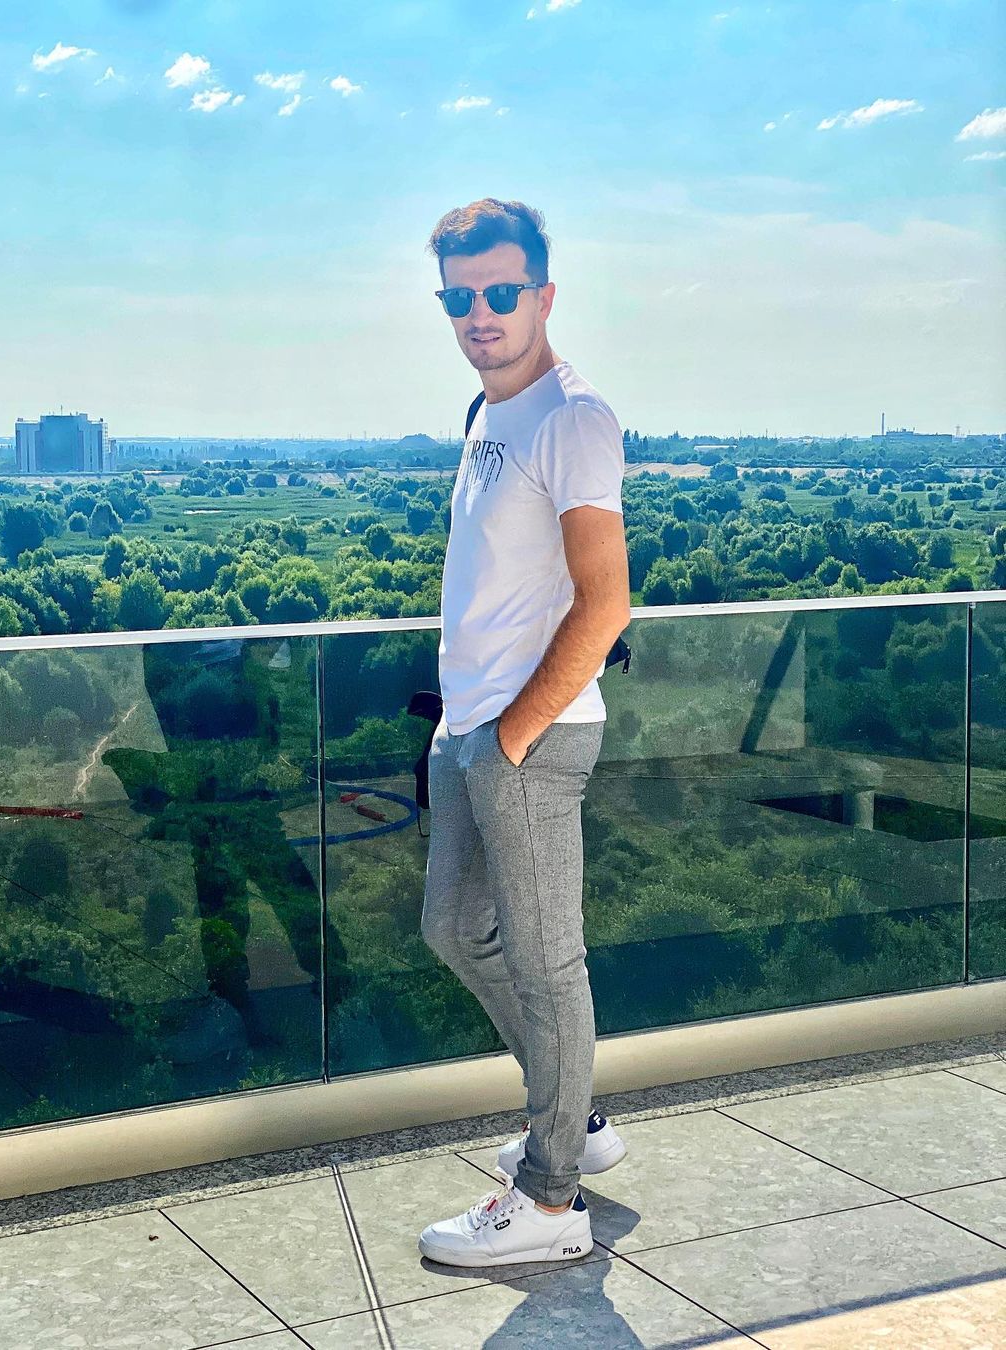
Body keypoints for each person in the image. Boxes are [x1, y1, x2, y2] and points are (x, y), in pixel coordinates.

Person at [417, 198, 631, 1269]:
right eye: (459, 296)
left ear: (544, 295)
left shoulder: (571, 420)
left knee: (549, 966)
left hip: (529, 742)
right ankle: (570, 1118)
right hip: (469, 729)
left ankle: (550, 1204)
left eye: (501, 291)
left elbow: (606, 603)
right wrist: (469, 728)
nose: (480, 313)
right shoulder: (486, 412)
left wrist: (512, 735)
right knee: (455, 932)